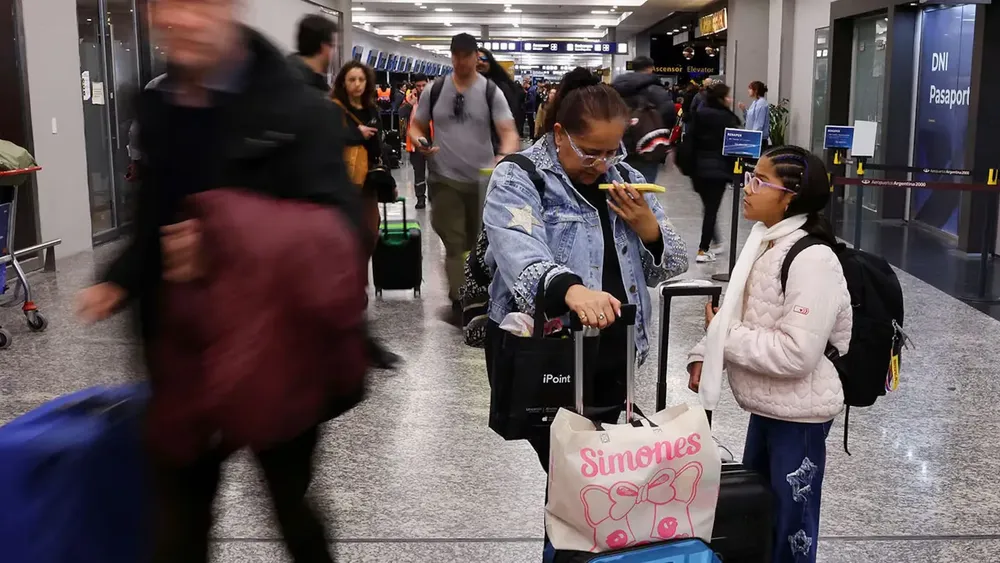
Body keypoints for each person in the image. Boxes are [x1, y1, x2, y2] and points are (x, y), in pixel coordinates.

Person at [74, 1, 362, 561]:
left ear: (228, 8)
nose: (176, 18)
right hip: (181, 352)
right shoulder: (159, 104)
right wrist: (122, 278)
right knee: (179, 517)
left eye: (195, 3)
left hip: (276, 349)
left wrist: (225, 239)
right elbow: (154, 214)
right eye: (166, 4)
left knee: (289, 505)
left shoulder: (299, 111)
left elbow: (340, 236)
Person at [483, 67, 688, 561]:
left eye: (614, 149)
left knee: (603, 476)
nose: (603, 163)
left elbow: (674, 264)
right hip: (551, 353)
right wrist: (570, 289)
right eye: (590, 150)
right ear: (559, 133)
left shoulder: (627, 179)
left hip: (617, 353)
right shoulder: (520, 177)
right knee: (573, 478)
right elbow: (518, 253)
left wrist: (648, 229)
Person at [687, 145, 851, 563]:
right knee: (762, 518)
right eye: (749, 175)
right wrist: (703, 352)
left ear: (789, 196)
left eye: (759, 181)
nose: (747, 186)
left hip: (800, 419)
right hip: (768, 407)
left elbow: (797, 353)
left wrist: (721, 338)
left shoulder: (813, 258)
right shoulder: (766, 242)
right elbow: (737, 314)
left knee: (789, 528)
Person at [409, 33, 519, 326]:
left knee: (476, 241)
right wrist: (420, 140)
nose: (461, 60)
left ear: (475, 56)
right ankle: (460, 301)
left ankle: (475, 294)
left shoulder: (490, 91)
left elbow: (509, 131)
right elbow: (416, 125)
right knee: (454, 240)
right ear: (451, 56)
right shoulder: (435, 89)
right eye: (456, 55)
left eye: (466, 55)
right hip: (444, 178)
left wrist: (504, 156)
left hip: (482, 182)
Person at [331, 61, 402, 370]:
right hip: (346, 186)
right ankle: (352, 299)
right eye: (351, 79)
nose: (357, 84)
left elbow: (378, 148)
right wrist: (353, 132)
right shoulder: (334, 110)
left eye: (361, 79)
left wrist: (388, 177)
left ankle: (356, 293)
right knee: (350, 244)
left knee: (370, 238)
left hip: (369, 185)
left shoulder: (372, 108)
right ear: (343, 83)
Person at [689, 81, 741, 263]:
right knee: (711, 209)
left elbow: (690, 140)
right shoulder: (728, 119)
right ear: (720, 98)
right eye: (727, 96)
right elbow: (735, 147)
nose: (730, 99)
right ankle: (703, 249)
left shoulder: (700, 114)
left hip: (698, 169)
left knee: (709, 208)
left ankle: (716, 240)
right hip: (718, 170)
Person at [611, 55, 678, 184]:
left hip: (618, 143)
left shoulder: (616, 88)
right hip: (648, 145)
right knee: (644, 188)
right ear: (651, 68)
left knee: (620, 185)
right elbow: (669, 114)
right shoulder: (655, 89)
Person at [477, 48, 525, 151]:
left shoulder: (500, 87)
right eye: (476, 59)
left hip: (494, 146)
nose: (480, 62)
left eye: (484, 59)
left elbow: (512, 117)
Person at [287, 14, 338, 95]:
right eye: (333, 46)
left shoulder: (284, 74)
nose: (335, 52)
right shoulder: (307, 92)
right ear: (324, 47)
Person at [403, 73, 430, 209]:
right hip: (416, 145)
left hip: (433, 143)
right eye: (418, 86)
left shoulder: (436, 99)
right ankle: (420, 198)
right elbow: (401, 113)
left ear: (428, 83)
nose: (421, 88)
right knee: (418, 173)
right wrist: (409, 104)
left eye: (423, 85)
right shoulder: (410, 99)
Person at [740, 81, 771, 149]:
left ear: (756, 90)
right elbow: (749, 119)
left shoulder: (761, 104)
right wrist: (744, 110)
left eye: (750, 88)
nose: (748, 91)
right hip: (753, 138)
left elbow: (759, 124)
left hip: (758, 140)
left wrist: (752, 139)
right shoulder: (755, 102)